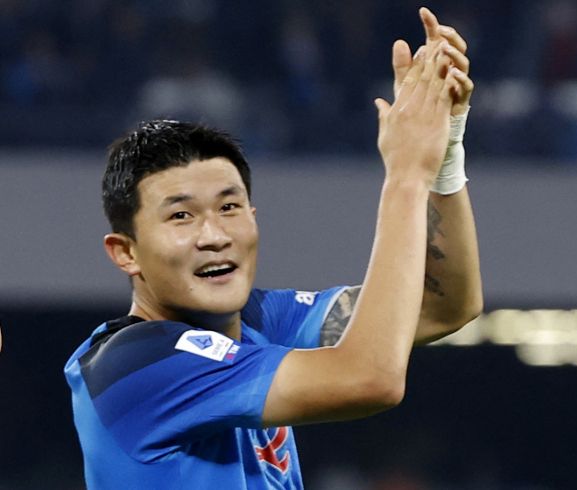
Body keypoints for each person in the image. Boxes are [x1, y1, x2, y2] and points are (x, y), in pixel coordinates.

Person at [64, 8, 482, 490]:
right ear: (126, 252)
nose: (214, 234)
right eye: (181, 216)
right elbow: (370, 378)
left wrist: (445, 155)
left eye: (228, 207)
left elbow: (443, 305)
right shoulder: (133, 367)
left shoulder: (260, 321)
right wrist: (407, 175)